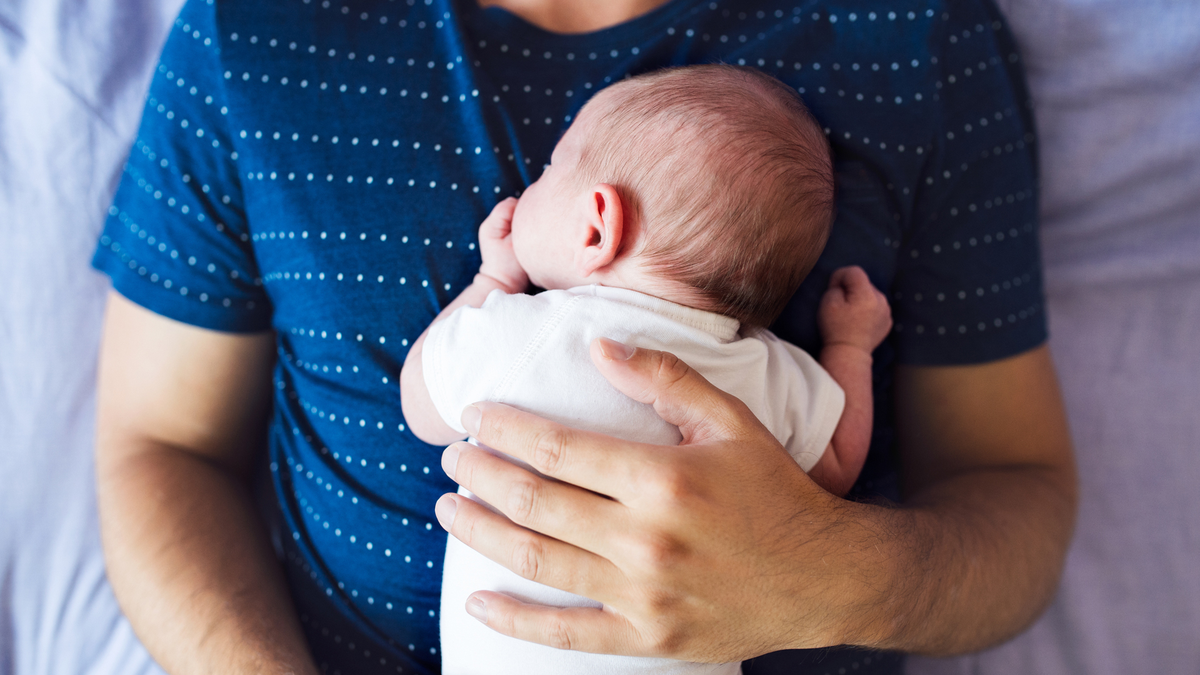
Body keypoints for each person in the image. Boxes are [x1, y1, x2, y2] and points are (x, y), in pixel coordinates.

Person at [91, 0, 1075, 673]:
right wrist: (848, 347)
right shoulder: (253, 30)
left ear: (596, 222)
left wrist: (831, 579)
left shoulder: (914, 34)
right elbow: (159, 447)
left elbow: (1015, 492)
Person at [398, 65, 892, 674]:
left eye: (550, 171)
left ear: (598, 227)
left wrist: (491, 281)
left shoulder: (527, 331)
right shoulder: (765, 371)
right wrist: (850, 346)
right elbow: (838, 466)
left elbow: (420, 406)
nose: (532, 185)